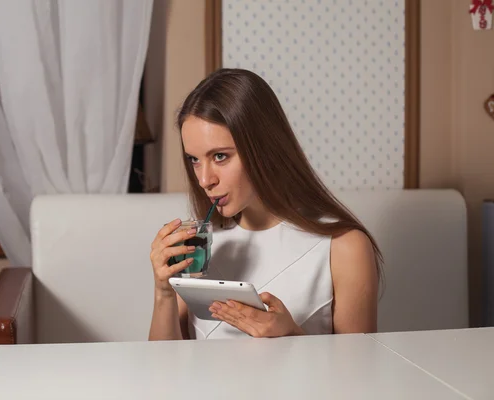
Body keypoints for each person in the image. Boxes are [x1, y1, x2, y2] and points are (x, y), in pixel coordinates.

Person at [148, 68, 382, 340]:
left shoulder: (345, 248)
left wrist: (292, 336)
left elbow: (358, 375)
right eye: (194, 159)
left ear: (263, 148)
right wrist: (163, 292)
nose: (204, 179)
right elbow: (163, 372)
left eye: (221, 156)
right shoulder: (201, 248)